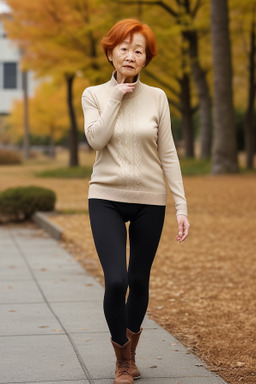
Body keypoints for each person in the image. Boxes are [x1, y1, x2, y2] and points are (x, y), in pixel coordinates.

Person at [81, 18, 190, 384]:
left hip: (149, 200)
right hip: (106, 197)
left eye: (138, 50)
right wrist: (117, 95)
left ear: (146, 59)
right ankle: (122, 358)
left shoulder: (157, 98)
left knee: (139, 280)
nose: (130, 55)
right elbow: (97, 140)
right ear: (111, 52)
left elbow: (169, 153)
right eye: (124, 48)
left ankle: (129, 356)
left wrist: (181, 205)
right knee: (116, 280)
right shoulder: (94, 94)